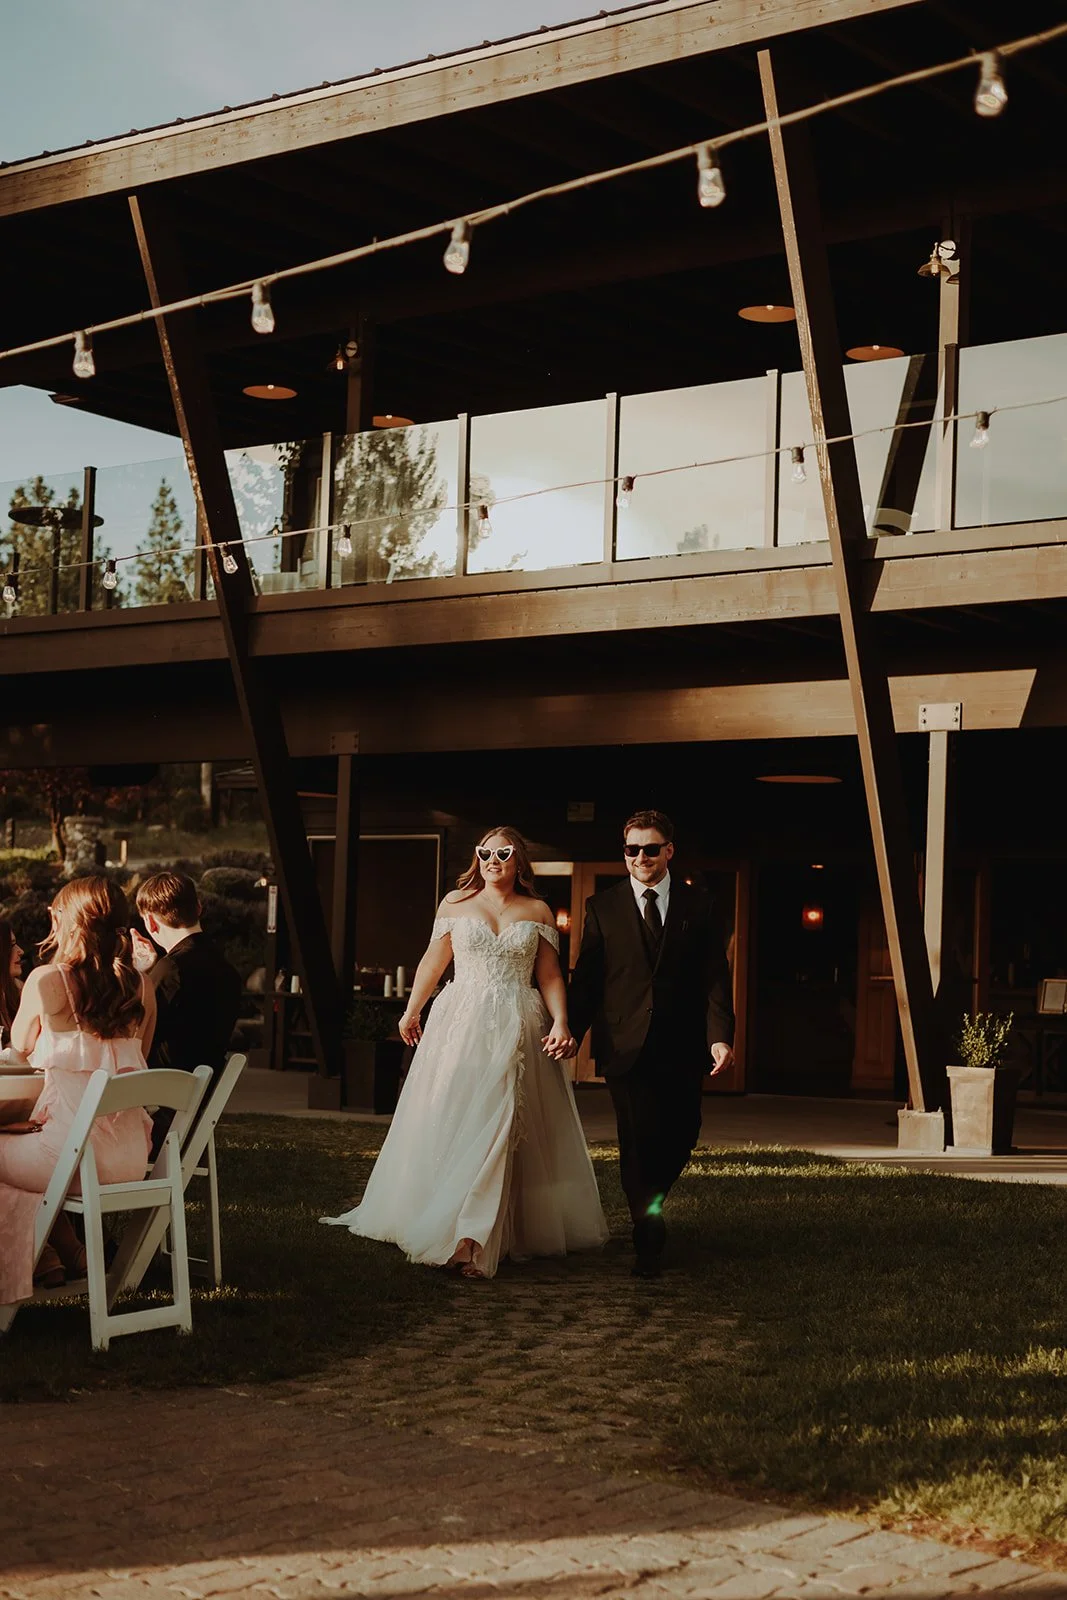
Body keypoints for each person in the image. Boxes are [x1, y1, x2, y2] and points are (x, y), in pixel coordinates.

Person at [322, 826, 608, 1278]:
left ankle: (473, 1238)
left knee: (504, 1119)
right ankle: (454, 1219)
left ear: (519, 860)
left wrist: (561, 1021)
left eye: (504, 852)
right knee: (460, 1116)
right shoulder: (454, 904)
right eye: (485, 852)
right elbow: (433, 962)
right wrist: (411, 1010)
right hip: (461, 1023)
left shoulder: (536, 910)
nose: (493, 860)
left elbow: (550, 974)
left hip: (517, 1021)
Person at [567, 809, 734, 1278]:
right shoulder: (603, 907)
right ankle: (647, 1232)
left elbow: (714, 978)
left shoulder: (699, 904)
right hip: (625, 1045)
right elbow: (588, 979)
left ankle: (651, 1201)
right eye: (631, 849)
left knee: (684, 1132)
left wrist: (719, 1037)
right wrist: (571, 1031)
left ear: (668, 851)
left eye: (650, 848)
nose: (640, 857)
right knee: (637, 1140)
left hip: (681, 1045)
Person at [0, 877, 155, 1301]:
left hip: (68, 1159)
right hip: (130, 1159)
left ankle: (28, 1270)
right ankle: (59, 1256)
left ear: (68, 921)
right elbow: (137, 1060)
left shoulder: (47, 981)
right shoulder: (143, 987)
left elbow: (16, 1053)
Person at [132, 872, 242, 1156]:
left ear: (151, 922)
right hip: (195, 1101)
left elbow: (137, 1032)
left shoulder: (170, 970)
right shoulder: (227, 970)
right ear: (199, 909)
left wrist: (144, 976)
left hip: (159, 1103)